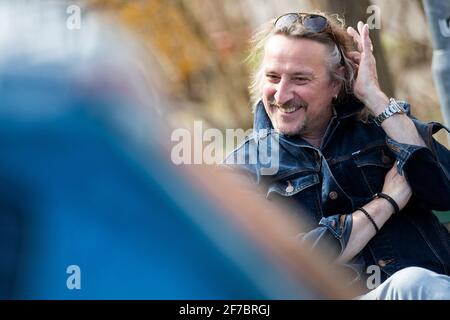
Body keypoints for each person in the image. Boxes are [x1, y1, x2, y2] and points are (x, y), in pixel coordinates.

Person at [225, 11, 450, 299]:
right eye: (273, 77)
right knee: (413, 284)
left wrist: (375, 97)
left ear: (337, 81)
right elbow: (286, 262)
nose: (281, 95)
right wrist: (385, 204)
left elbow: (443, 190)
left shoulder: (383, 127)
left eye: (300, 79)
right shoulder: (243, 168)